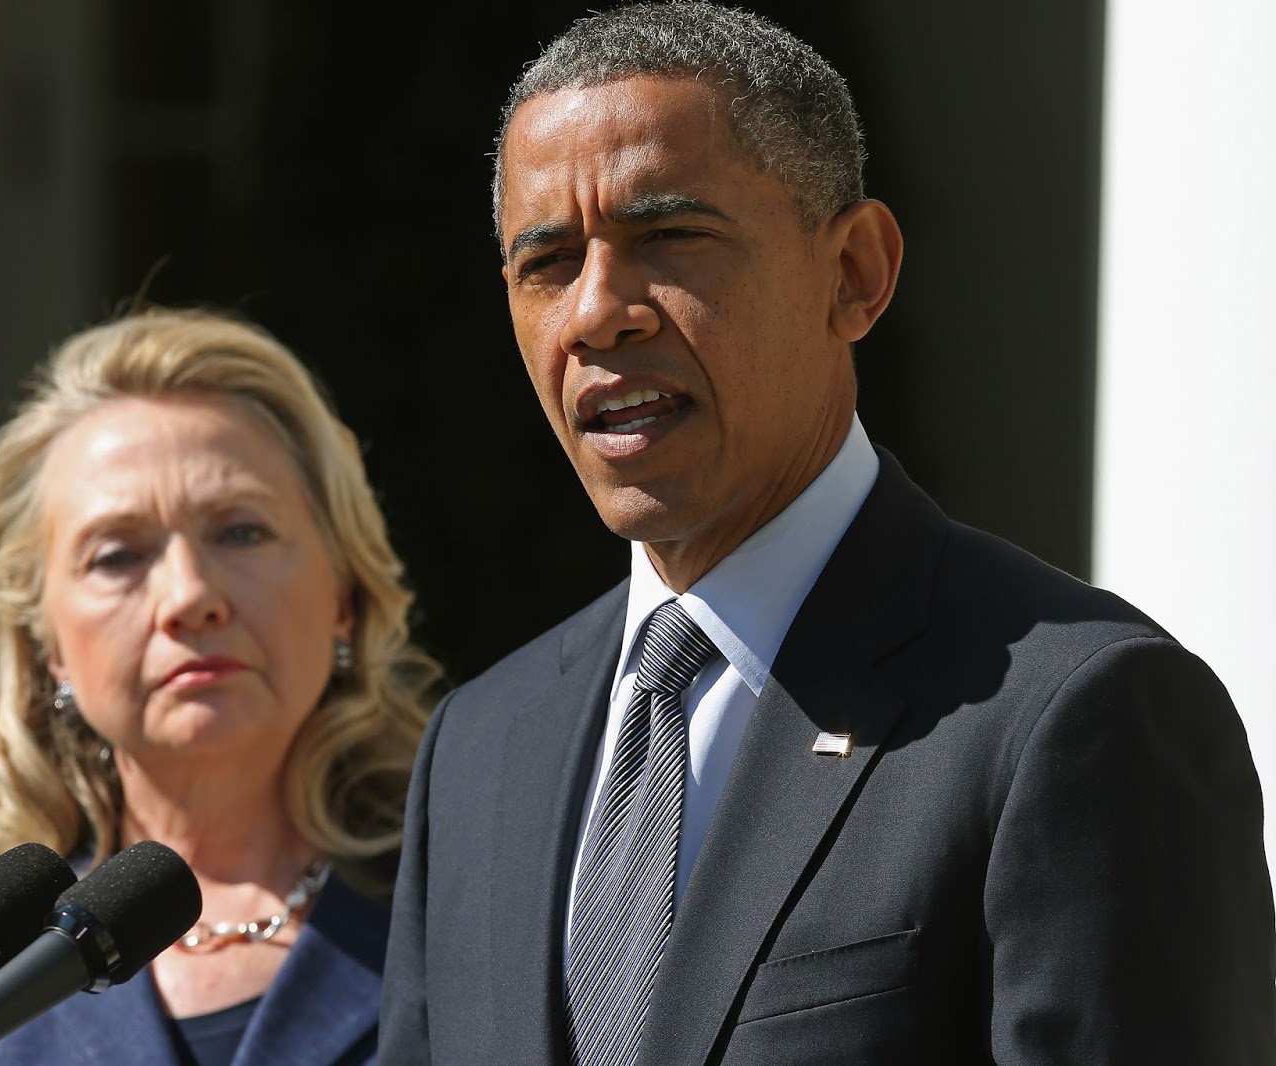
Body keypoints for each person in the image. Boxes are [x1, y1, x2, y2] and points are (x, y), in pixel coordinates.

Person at [379, 4, 1274, 1065]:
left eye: (669, 237)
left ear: (854, 272)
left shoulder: (1077, 713)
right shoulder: (479, 748)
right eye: (549, 263)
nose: (595, 312)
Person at [0, 308, 440, 1065]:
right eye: (118, 556)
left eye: (241, 531)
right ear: (46, 647)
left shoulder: (469, 904)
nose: (190, 596)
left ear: (343, 595)